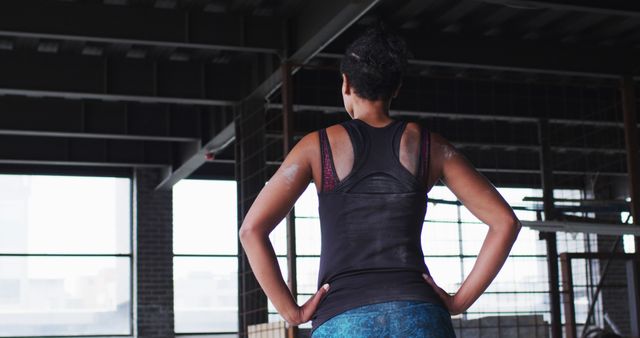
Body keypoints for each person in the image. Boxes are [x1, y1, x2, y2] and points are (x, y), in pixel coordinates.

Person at [238, 23, 522, 337]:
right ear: (396, 88)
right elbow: (505, 222)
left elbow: (252, 230)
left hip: (344, 318)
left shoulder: (316, 147)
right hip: (421, 316)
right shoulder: (430, 146)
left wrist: (291, 312)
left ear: (346, 84)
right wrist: (459, 302)